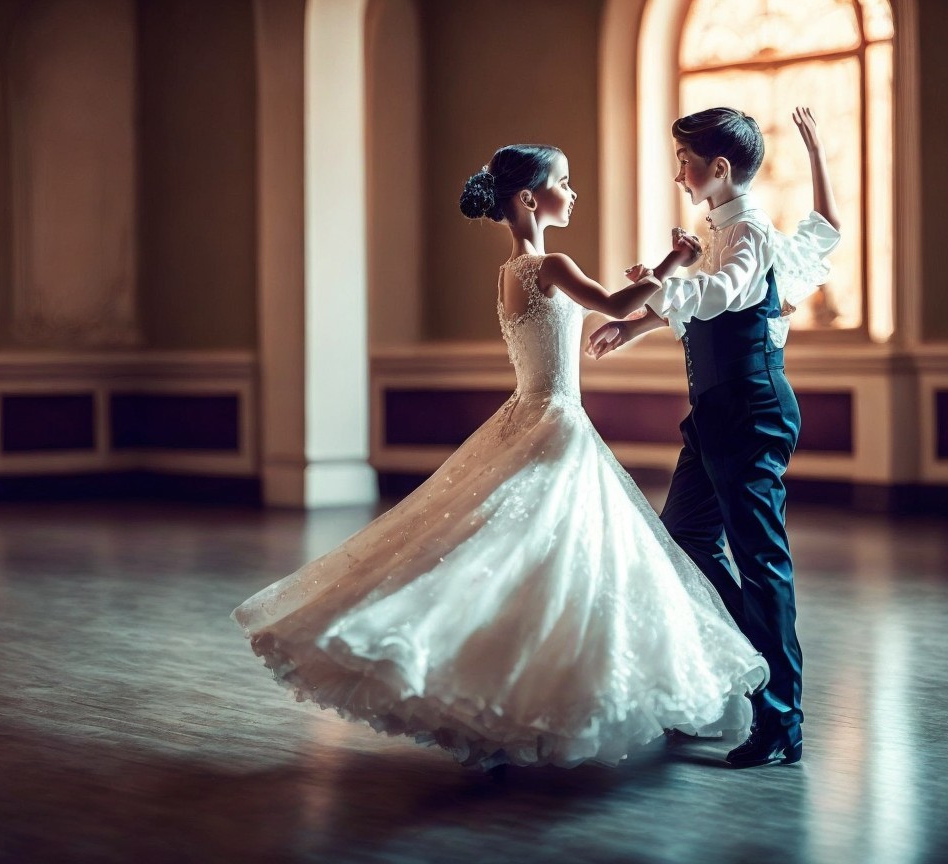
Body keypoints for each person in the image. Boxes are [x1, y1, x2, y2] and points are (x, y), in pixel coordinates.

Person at [232, 143, 767, 771]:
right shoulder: (552, 264)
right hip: (555, 421)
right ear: (528, 198)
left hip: (527, 415)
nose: (574, 192)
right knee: (551, 558)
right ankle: (537, 697)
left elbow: (609, 307)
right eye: (565, 183)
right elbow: (619, 307)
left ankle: (512, 699)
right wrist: (678, 260)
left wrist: (666, 267)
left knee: (527, 557)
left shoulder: (513, 271)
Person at [587, 107, 841, 767]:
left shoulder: (750, 232)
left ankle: (781, 720)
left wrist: (661, 283)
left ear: (718, 169)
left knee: (761, 565)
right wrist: (634, 325)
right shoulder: (725, 231)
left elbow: (723, 295)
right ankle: (744, 657)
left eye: (684, 161)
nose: (678, 173)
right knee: (687, 539)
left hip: (750, 412)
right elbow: (822, 233)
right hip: (716, 415)